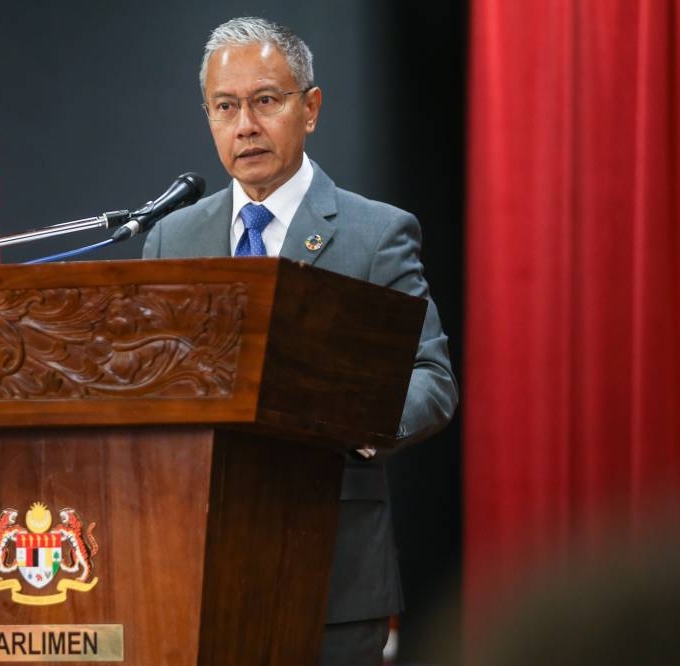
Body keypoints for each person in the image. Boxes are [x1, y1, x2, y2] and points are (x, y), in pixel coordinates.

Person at [142, 17, 458, 665]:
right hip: (191, 567)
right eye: (225, 107)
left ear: (310, 109)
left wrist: (355, 422)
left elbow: (432, 379)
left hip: (332, 574)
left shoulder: (376, 234)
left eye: (266, 100)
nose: (245, 125)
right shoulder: (171, 239)